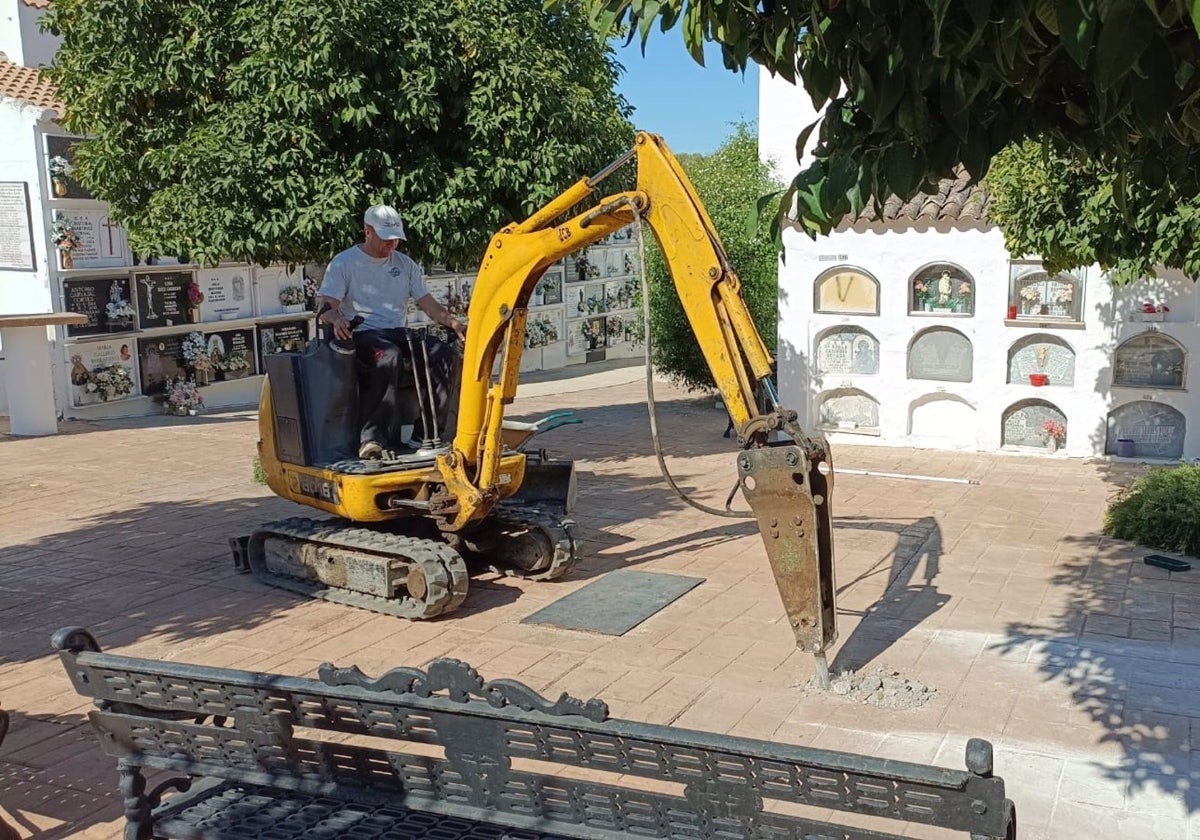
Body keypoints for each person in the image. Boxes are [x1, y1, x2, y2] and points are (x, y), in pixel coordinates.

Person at [319, 204, 467, 460]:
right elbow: (325, 307)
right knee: (388, 355)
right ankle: (372, 438)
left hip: (398, 332)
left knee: (442, 353)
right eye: (386, 238)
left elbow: (429, 305)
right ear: (367, 231)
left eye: (396, 238)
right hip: (364, 333)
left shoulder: (405, 265)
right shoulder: (344, 263)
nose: (392, 244)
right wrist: (336, 320)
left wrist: (454, 324)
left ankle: (426, 433)